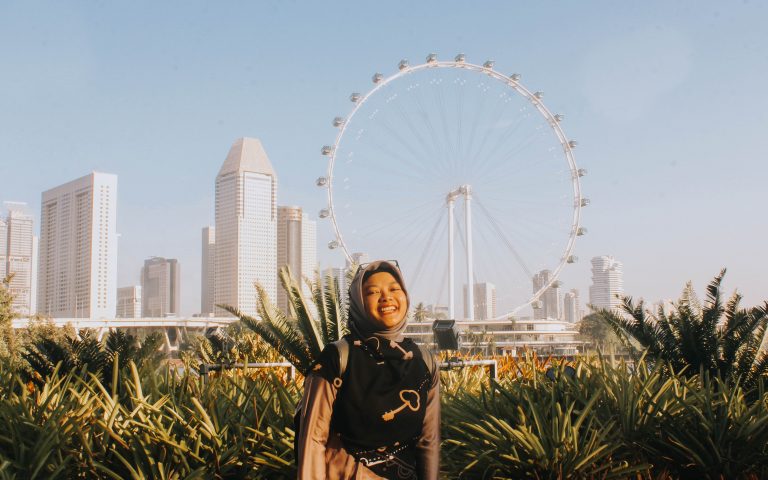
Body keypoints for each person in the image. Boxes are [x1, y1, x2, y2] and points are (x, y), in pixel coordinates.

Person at [296, 260, 440, 479]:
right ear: (358, 303)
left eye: (394, 289)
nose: (386, 297)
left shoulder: (424, 362)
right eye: (373, 292)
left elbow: (428, 441)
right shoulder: (338, 358)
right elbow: (313, 439)